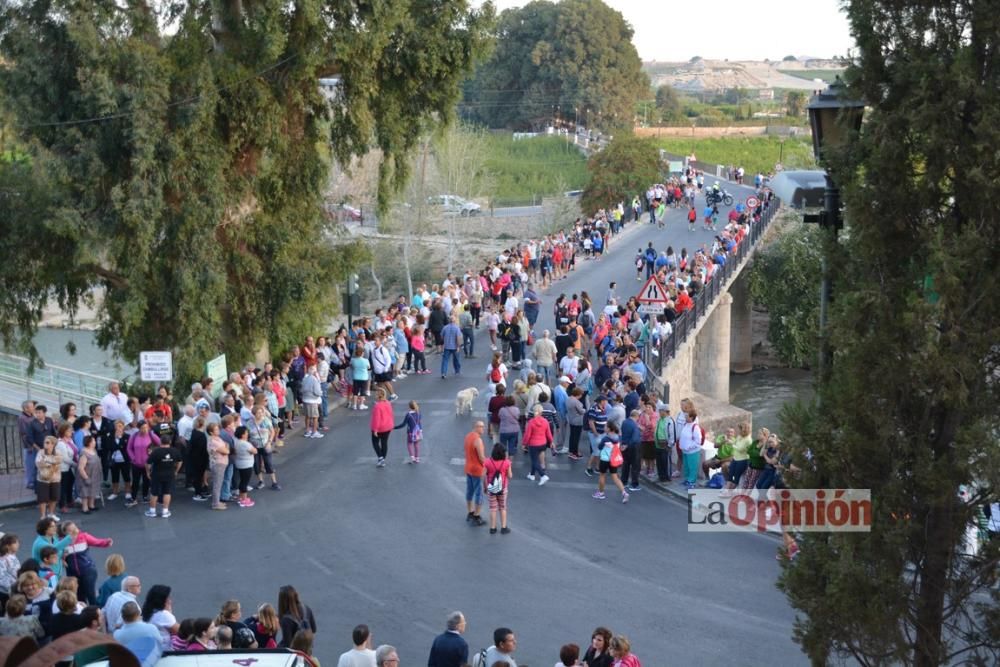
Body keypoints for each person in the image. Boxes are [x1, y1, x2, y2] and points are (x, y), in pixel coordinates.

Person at [62, 521, 112, 605]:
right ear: (65, 532)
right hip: (72, 573)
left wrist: (107, 542)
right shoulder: (63, 542)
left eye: (75, 528)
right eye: (70, 530)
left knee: (90, 594)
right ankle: (83, 613)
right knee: (79, 596)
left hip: (88, 570)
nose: (74, 531)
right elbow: (57, 555)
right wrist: (62, 559)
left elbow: (97, 542)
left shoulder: (84, 537)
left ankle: (95, 613)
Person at [114, 601, 164, 667]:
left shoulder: (117, 635)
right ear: (138, 614)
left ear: (123, 617)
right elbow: (160, 644)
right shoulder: (151, 628)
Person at [144, 435, 182, 518]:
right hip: (170, 475)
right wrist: (176, 471)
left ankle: (152, 511)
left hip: (157, 475)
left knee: (154, 493)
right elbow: (180, 461)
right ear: (170, 442)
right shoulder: (175, 451)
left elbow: (148, 463)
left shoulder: (156, 451)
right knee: (167, 492)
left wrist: (148, 472)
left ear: (160, 442)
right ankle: (165, 511)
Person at [593, 423, 628, 503]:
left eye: (605, 426)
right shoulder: (618, 437)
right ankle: (624, 493)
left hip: (605, 459)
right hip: (613, 460)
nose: (604, 427)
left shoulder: (606, 438)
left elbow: (600, 447)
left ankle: (601, 493)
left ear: (609, 429)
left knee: (602, 475)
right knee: (615, 477)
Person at [483, 443, 512, 535]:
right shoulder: (507, 462)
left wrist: (485, 487)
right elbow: (510, 476)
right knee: (502, 507)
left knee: (493, 508)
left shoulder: (487, 462)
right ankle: (503, 527)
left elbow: (483, 476)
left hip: (491, 489)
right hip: (503, 489)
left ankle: (493, 528)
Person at [522, 404, 553, 485]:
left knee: (534, 460)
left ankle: (543, 475)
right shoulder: (545, 421)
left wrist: (524, 444)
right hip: (543, 443)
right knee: (535, 459)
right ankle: (532, 474)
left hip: (533, 444)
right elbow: (548, 433)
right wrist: (551, 442)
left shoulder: (531, 422)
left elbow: (527, 435)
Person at [463, 423, 487, 526]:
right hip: (477, 470)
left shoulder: (468, 436)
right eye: (481, 426)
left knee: (469, 491)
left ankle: (470, 512)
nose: (483, 428)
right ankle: (477, 515)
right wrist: (488, 465)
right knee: (479, 493)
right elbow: (481, 458)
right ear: (476, 427)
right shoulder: (478, 440)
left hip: (468, 467)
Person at [34, 436, 62, 520]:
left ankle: (51, 514)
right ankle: (43, 516)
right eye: (45, 442)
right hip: (43, 478)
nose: (45, 444)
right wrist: (50, 462)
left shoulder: (58, 452)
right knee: (42, 498)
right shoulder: (40, 452)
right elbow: (38, 463)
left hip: (55, 478)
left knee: (54, 497)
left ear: (53, 444)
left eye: (47, 442)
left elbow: (58, 460)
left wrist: (46, 460)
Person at [232, 426, 258, 508]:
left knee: (242, 480)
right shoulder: (246, 444)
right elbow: (255, 451)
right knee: (245, 482)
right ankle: (244, 500)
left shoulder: (236, 442)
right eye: (246, 433)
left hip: (239, 463)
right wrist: (253, 448)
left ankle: (240, 497)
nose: (247, 434)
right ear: (243, 435)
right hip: (246, 465)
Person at [369, 389, 394, 468]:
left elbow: (377, 419)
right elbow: (390, 414)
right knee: (384, 443)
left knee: (375, 443)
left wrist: (375, 430)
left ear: (378, 395)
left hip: (379, 428)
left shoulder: (377, 406)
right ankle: (383, 458)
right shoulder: (388, 403)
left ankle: (380, 457)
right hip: (388, 426)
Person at [301, 364, 325, 438]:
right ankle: (314, 432)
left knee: (307, 416)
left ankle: (307, 431)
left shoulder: (305, 379)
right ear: (314, 371)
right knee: (315, 417)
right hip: (313, 400)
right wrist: (321, 393)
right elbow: (317, 392)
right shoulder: (314, 380)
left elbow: (302, 389)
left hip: (305, 399)